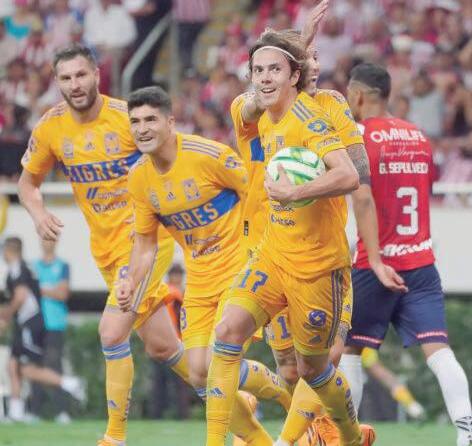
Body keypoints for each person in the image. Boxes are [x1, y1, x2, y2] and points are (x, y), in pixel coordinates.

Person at [17, 44, 188, 446]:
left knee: (111, 333)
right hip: (105, 249)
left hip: (145, 241)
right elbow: (27, 183)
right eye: (66, 78)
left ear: (97, 74)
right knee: (163, 348)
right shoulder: (51, 127)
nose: (75, 84)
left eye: (81, 75)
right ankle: (241, 402)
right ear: (57, 82)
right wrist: (38, 215)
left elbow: (175, 160)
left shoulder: (128, 118)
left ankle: (114, 438)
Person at [205, 28, 367, 446]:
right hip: (270, 253)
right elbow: (251, 99)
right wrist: (288, 45)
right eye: (257, 70)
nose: (264, 77)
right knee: (227, 332)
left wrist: (295, 192)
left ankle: (350, 437)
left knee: (314, 369)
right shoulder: (255, 113)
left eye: (274, 70)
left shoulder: (313, 118)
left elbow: (351, 174)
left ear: (293, 75)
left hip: (317, 265)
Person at [117, 85, 291, 446]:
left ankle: (283, 398)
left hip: (240, 271)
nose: (142, 128)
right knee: (198, 374)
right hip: (198, 281)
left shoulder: (209, 155)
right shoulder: (139, 178)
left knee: (217, 366)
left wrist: (267, 251)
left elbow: (258, 193)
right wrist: (130, 282)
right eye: (135, 122)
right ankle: (264, 428)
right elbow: (146, 245)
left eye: (150, 119)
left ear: (170, 122)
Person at [344, 62, 472, 446]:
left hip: (375, 262)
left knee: (350, 349)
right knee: (439, 351)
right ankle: (466, 430)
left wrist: (376, 258)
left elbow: (362, 198)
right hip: (420, 261)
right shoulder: (418, 136)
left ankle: (346, 437)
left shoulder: (357, 136)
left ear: (358, 96)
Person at [0, 237, 84, 422]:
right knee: (13, 366)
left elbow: (22, 296)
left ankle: (69, 386)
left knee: (29, 369)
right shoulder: (29, 267)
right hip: (26, 324)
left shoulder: (20, 268)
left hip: (34, 325)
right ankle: (18, 413)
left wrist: (5, 315)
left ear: (8, 251)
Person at [31, 238, 71, 422]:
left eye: (51, 240)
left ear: (55, 243)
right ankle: (34, 412)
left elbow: (62, 293)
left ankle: (61, 412)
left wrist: (40, 290)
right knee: (34, 367)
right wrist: (50, 290)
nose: (48, 243)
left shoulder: (63, 266)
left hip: (55, 324)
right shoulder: (33, 267)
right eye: (45, 240)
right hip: (35, 325)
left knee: (55, 367)